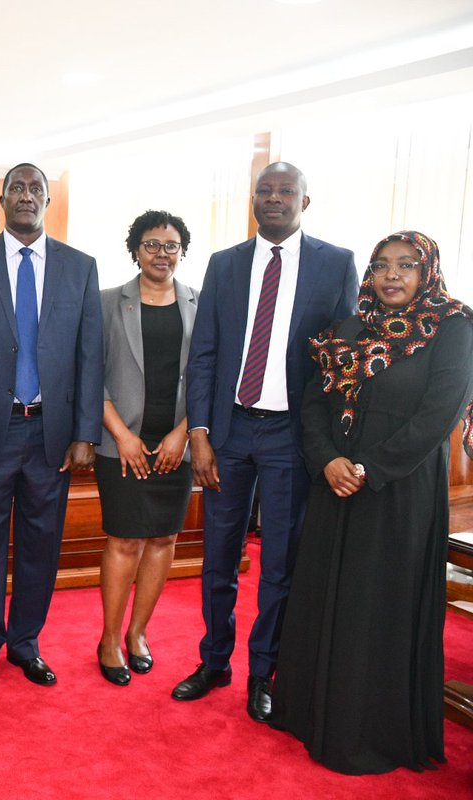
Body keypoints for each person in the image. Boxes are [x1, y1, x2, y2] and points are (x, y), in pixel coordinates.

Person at [271, 231, 473, 774]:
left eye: (406, 266)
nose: (392, 275)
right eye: (382, 265)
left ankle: (368, 731)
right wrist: (328, 461)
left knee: (375, 603)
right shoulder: (347, 328)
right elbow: (313, 404)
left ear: (426, 271)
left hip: (398, 488)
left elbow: (440, 414)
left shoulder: (453, 326)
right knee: (325, 595)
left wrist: (370, 468)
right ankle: (312, 713)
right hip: (335, 483)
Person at [176, 162, 358, 721]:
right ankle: (214, 661)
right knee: (218, 559)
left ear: (306, 201)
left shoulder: (336, 264)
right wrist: (200, 433)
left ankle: (263, 671)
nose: (274, 198)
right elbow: (203, 352)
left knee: (280, 561)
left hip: (290, 435)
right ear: (253, 200)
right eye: (265, 190)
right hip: (227, 431)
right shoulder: (225, 263)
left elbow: (342, 363)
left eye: (286, 191)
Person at [0, 163, 103, 690]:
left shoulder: (80, 267)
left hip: (50, 437)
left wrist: (85, 432)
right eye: (17, 188)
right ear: (2, 200)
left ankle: (25, 643)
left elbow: (89, 355)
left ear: (47, 199)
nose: (26, 196)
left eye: (36, 188)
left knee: (41, 545)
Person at [95, 210, 198, 687]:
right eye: (152, 244)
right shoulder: (106, 302)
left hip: (178, 444)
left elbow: (208, 376)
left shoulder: (201, 303)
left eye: (171, 244)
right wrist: (122, 434)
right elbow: (88, 376)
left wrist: (184, 431)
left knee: (163, 539)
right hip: (122, 442)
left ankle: (139, 633)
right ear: (135, 249)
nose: (162, 253)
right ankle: (110, 638)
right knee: (125, 539)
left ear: (182, 250)